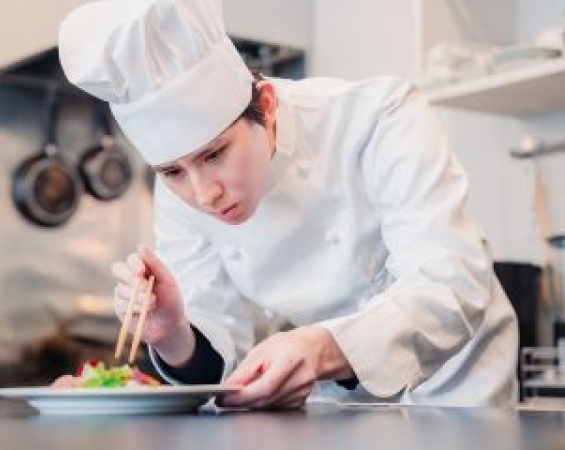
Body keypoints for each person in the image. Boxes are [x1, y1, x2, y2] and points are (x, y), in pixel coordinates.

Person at [58, 0, 518, 408]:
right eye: (172, 171)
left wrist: (321, 349)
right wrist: (174, 334)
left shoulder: (380, 117)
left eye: (214, 154)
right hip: (336, 404)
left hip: (455, 392)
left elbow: (450, 281)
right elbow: (220, 345)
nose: (202, 193)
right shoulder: (179, 189)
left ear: (268, 105)